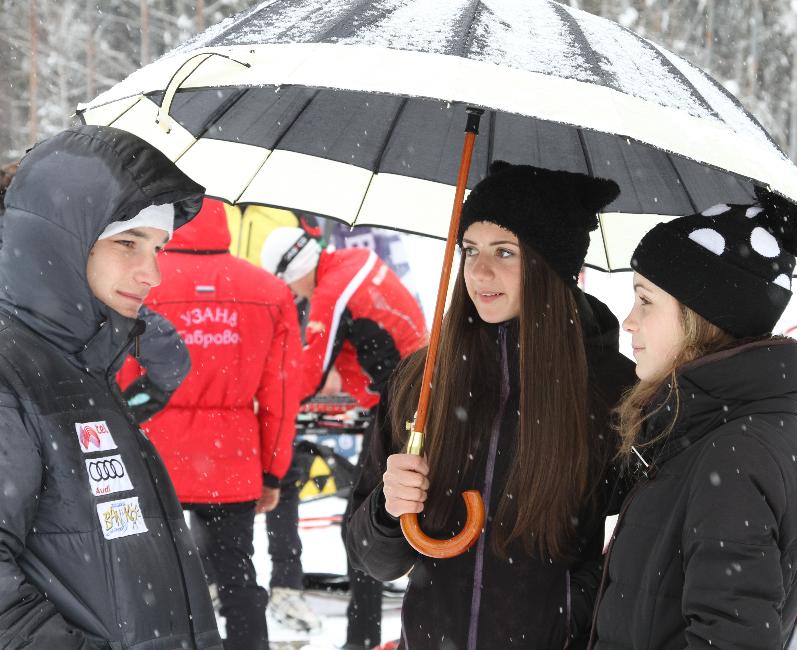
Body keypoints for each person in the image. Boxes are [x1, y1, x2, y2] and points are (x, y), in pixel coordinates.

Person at [343, 161, 635, 649]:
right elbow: (372, 560)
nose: (479, 271)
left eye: (505, 252)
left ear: (551, 265)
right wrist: (388, 511)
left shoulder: (613, 392)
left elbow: (647, 547)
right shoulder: (422, 380)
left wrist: (572, 606)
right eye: (470, 249)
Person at [0, 125, 221, 649]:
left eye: (158, 248)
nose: (152, 274)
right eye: (127, 243)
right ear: (59, 239)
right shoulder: (13, 374)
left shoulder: (86, 364)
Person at [589, 193, 797, 649]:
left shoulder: (735, 456)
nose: (629, 321)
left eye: (645, 301)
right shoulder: (711, 433)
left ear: (703, 318)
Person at [118, 198, 302, 650]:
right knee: (238, 578)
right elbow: (280, 396)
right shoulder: (269, 291)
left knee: (151, 582)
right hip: (231, 457)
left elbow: (120, 380)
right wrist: (272, 471)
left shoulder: (142, 282)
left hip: (153, 456)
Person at [260, 227, 428, 645]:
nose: (293, 294)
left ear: (294, 271)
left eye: (289, 285)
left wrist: (269, 400)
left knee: (361, 528)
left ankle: (363, 638)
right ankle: (369, 634)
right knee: (384, 522)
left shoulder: (331, 292)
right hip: (414, 387)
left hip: (402, 404)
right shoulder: (352, 261)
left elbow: (312, 373)